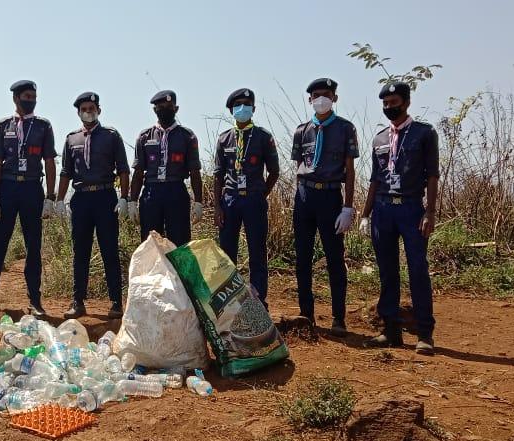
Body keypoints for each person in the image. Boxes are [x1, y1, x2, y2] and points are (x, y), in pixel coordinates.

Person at [358, 81, 440, 354]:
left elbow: (432, 174)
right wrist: (365, 214)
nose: (389, 108)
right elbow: (373, 179)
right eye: (385, 104)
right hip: (383, 209)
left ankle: (425, 333)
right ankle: (390, 330)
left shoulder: (424, 134)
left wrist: (430, 211)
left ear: (406, 102)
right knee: (387, 270)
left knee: (417, 268)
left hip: (411, 208)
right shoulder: (379, 138)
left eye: (394, 103)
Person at [0, 80, 58, 317]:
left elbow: (50, 162)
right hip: (7, 189)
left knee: (33, 245)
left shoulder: (43, 126)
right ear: (15, 98)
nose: (30, 100)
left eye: (33, 96)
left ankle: (35, 300)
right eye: (26, 96)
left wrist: (50, 198)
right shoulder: (3, 125)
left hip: (32, 188)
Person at [290, 78, 359, 337]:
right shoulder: (302, 130)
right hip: (305, 197)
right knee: (303, 258)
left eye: (326, 95)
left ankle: (338, 317)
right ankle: (306, 315)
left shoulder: (345, 129)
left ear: (335, 98)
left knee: (334, 259)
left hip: (331, 198)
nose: (321, 99)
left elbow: (350, 171)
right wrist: (298, 198)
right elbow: (297, 168)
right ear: (309, 100)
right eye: (316, 95)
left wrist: (348, 208)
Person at [55, 91, 129, 319]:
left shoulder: (111, 136)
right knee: (81, 252)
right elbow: (66, 172)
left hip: (105, 197)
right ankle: (78, 301)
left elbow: (124, 169)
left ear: (99, 110)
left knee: (109, 250)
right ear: (78, 112)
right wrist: (58, 200)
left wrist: (124, 198)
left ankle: (116, 302)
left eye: (92, 108)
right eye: (84, 109)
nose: (88, 112)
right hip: (81, 199)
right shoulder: (71, 139)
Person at [213, 88, 279, 307]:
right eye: (238, 105)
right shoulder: (224, 139)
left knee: (257, 251)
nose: (243, 108)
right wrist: (217, 207)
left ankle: (258, 299)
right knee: (226, 253)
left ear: (253, 109)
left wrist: (261, 193)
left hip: (253, 200)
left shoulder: (263, 137)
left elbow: (274, 171)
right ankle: (230, 301)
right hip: (230, 201)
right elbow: (218, 175)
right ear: (232, 110)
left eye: (247, 104)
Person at [128, 90, 204, 246]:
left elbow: (195, 172)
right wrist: (132, 201)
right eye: (160, 107)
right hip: (151, 192)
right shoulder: (144, 136)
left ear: (176, 109)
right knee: (150, 244)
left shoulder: (187, 136)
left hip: (176, 191)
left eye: (169, 106)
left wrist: (198, 202)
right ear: (154, 110)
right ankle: (154, 271)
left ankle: (178, 271)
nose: (164, 110)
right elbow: (138, 172)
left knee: (179, 242)